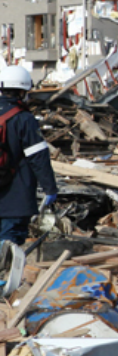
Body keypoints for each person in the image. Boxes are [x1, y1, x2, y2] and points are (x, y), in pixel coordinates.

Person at [0, 66, 57, 245]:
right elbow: (38, 157)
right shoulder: (23, 119)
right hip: (16, 196)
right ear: (23, 91)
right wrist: (50, 188)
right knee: (10, 240)